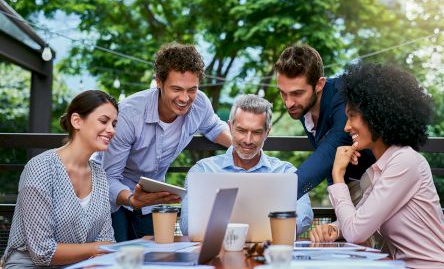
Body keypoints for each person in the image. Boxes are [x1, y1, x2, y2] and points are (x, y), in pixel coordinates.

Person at [310, 63, 444, 269]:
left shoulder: (405, 162)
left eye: (352, 116)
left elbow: (357, 232)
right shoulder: (375, 173)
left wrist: (337, 173)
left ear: (377, 116)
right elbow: (362, 219)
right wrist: (334, 228)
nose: (347, 127)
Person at [94, 42, 232, 241]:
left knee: (156, 252)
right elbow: (109, 177)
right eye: (176, 89)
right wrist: (132, 200)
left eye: (191, 89)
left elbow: (213, 126)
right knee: (119, 253)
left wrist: (240, 146)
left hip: (152, 195)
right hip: (114, 196)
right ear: (158, 82)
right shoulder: (128, 115)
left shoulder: (200, 103)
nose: (185, 98)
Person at [1, 90, 118, 269]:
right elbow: (42, 252)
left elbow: (108, 240)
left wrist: (100, 251)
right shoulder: (41, 168)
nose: (111, 130)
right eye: (103, 121)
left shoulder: (100, 175)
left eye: (114, 124)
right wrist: (96, 249)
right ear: (77, 121)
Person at [180, 94, 313, 236]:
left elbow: (305, 214)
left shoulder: (287, 173)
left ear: (267, 132)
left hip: (268, 251)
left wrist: (278, 232)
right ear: (230, 127)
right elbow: (188, 225)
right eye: (241, 130)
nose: (248, 140)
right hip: (218, 251)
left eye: (256, 132)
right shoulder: (202, 171)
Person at [275, 45, 375, 199]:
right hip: (342, 186)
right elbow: (329, 161)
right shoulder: (302, 105)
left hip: (377, 185)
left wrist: (275, 196)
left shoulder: (344, 96)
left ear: (319, 84)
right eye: (283, 93)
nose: (289, 103)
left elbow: (327, 153)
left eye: (297, 93)